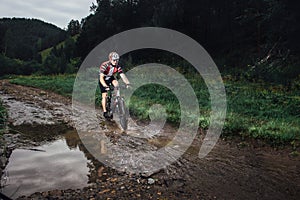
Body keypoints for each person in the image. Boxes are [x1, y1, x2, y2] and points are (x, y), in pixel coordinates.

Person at [98, 52, 130, 119]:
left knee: (116, 83)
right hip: (103, 79)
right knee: (104, 96)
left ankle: (116, 97)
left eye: (117, 60)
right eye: (114, 60)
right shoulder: (104, 65)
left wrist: (127, 83)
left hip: (110, 78)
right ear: (110, 59)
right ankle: (105, 111)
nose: (116, 62)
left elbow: (122, 75)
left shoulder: (117, 66)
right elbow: (101, 78)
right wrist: (105, 86)